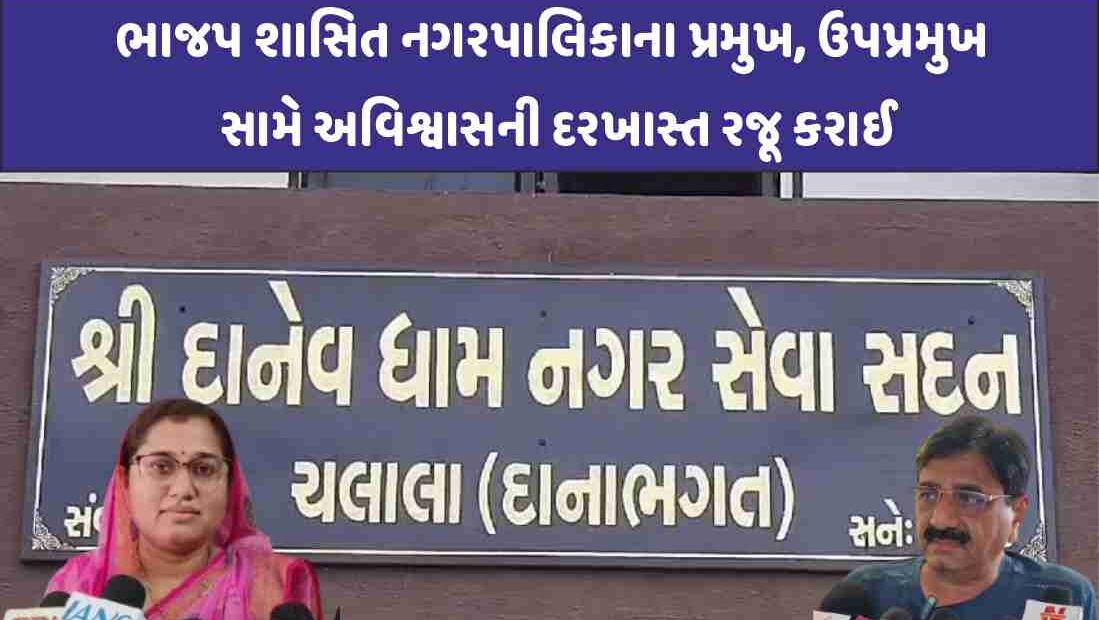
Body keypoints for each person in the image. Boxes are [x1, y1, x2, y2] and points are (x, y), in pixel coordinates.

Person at [46, 398, 323, 619]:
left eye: (203, 469)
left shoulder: (272, 585)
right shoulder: (80, 584)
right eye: (161, 466)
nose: (183, 489)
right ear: (125, 482)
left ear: (231, 485)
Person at [840, 415, 1095, 619]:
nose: (940, 520)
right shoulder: (864, 595)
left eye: (969, 498)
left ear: (1016, 511)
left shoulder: (1062, 598)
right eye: (928, 495)